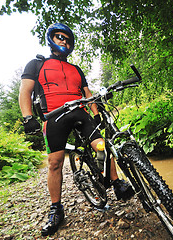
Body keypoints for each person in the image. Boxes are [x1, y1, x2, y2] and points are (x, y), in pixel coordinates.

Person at [19, 23, 134, 236]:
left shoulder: (75, 69)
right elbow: (25, 91)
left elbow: (87, 93)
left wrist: (96, 114)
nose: (63, 41)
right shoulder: (36, 64)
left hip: (80, 113)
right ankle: (56, 209)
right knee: (55, 163)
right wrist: (28, 118)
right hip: (53, 116)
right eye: (59, 37)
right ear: (51, 39)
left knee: (102, 146)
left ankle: (116, 183)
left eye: (67, 39)